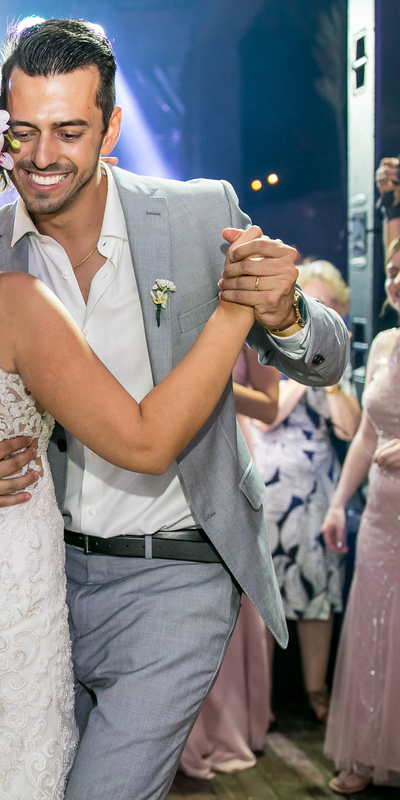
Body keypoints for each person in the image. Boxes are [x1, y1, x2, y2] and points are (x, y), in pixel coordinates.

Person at [0, 21, 349, 800]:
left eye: (69, 131)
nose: (42, 157)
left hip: (175, 577)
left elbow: (327, 357)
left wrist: (283, 312)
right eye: (24, 133)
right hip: (31, 587)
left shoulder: (198, 215)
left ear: (111, 127)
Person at [253, 261, 360, 724]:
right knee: (264, 596)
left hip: (316, 492)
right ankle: (261, 700)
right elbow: (267, 419)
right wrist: (306, 370)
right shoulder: (271, 353)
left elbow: (351, 429)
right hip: (270, 490)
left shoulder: (337, 368)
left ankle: (318, 691)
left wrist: (331, 378)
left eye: (326, 305)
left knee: (316, 590)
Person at [320, 239, 400, 795]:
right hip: (380, 513)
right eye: (392, 271)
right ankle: (370, 755)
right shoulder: (386, 344)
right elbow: (368, 435)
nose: (395, 280)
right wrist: (337, 503)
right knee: (373, 630)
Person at [178, 348, 278, 780]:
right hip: (169, 444)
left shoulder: (251, 316)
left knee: (225, 587)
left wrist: (203, 382)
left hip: (225, 454)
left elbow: (269, 406)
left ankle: (223, 726)